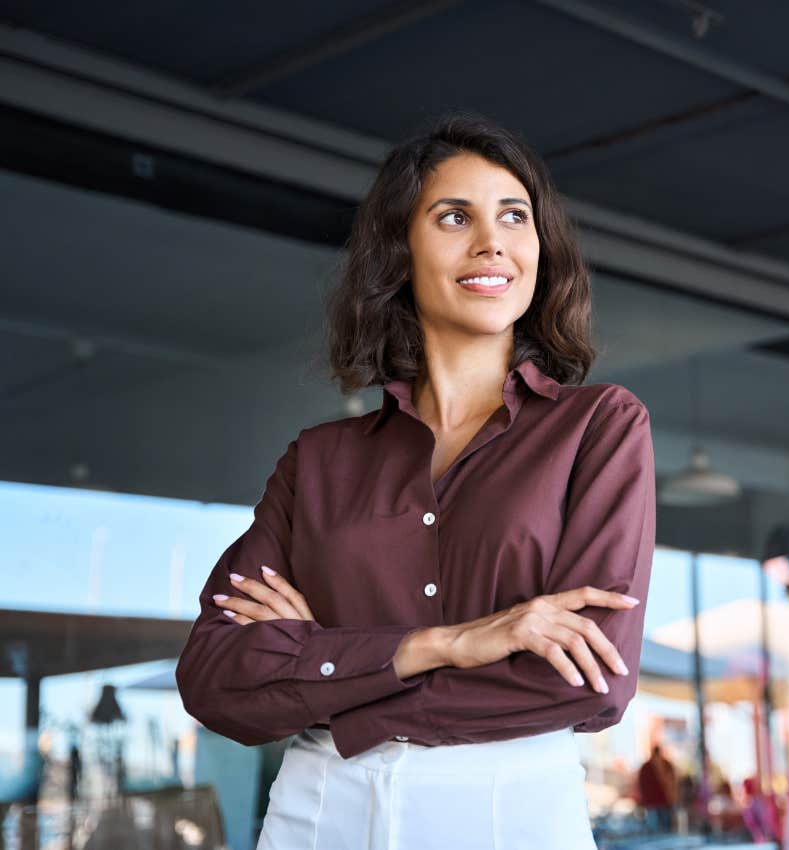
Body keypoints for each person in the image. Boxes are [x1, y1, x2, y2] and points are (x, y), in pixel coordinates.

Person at [176, 110, 656, 849]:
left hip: (505, 812)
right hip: (317, 812)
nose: (491, 241)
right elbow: (214, 677)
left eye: (514, 216)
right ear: (399, 249)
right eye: (455, 216)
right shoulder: (318, 463)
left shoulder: (598, 429)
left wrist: (324, 671)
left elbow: (587, 679)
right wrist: (444, 644)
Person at [638, 744, 678, 832]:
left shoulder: (646, 767)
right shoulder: (666, 764)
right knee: (663, 829)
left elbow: (641, 786)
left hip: (655, 803)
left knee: (657, 830)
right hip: (660, 803)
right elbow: (673, 783)